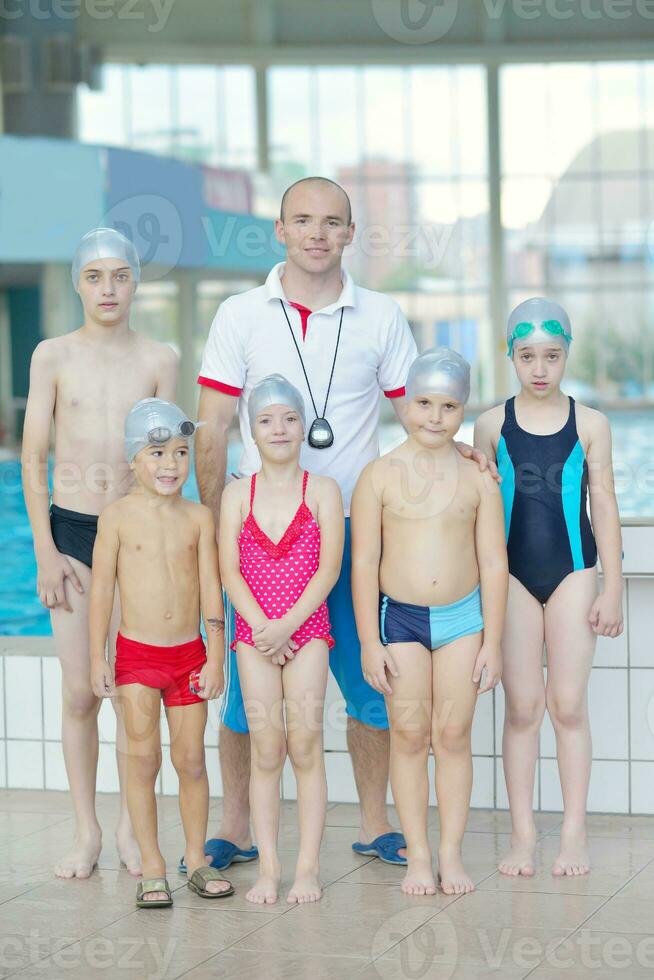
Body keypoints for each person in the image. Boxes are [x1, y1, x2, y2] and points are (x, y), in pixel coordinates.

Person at [195, 177, 497, 871]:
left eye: (332, 222)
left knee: (373, 685)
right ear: (279, 229)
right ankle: (236, 825)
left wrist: (462, 451)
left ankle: (375, 823)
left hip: (359, 533)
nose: (317, 233)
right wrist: (217, 530)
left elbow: (418, 412)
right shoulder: (240, 314)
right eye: (302, 220)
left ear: (350, 234)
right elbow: (211, 425)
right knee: (247, 698)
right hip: (264, 540)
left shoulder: (383, 315)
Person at [21, 228, 177, 879]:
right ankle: (85, 830)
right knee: (84, 690)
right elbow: (32, 458)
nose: (108, 288)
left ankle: (128, 828)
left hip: (138, 533)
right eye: (95, 277)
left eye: (119, 276)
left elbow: (169, 458)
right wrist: (45, 554)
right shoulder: (52, 356)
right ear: (79, 283)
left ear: (134, 282)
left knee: (134, 694)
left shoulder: (159, 357)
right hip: (74, 534)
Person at [474, 298, 624, 878]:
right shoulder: (490, 425)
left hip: (574, 574)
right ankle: (522, 836)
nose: (540, 368)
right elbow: (477, 508)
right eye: (528, 355)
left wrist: (610, 587)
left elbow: (605, 506)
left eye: (552, 357)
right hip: (509, 579)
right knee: (522, 708)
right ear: (509, 354)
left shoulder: (591, 424)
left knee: (566, 705)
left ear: (568, 356)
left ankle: (574, 833)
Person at [351, 349, 507, 896]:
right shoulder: (378, 476)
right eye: (423, 403)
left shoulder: (479, 479)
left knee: (454, 734)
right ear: (405, 404)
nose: (434, 417)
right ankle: (418, 855)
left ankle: (450, 854)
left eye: (448, 406)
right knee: (411, 735)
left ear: (464, 409)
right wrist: (369, 640)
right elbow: (364, 563)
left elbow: (493, 562)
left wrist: (494, 640)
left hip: (464, 620)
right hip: (403, 623)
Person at [89, 398, 233, 908]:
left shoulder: (198, 519)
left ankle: (195, 858)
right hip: (136, 658)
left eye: (179, 453)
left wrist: (217, 655)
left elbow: (212, 588)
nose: (170, 465)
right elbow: (102, 593)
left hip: (189, 656)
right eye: (156, 453)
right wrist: (96, 658)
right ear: (133, 459)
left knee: (191, 760)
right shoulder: (117, 519)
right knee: (143, 759)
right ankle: (151, 865)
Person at [219, 375, 343, 904]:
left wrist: (288, 626)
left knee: (305, 744)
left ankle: (308, 867)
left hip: (307, 629)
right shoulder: (235, 494)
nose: (279, 428)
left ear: (304, 426)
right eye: (266, 420)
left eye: (290, 419)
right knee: (267, 749)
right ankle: (270, 867)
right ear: (251, 430)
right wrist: (265, 630)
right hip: (253, 633)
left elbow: (329, 570)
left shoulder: (323, 491)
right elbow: (229, 572)